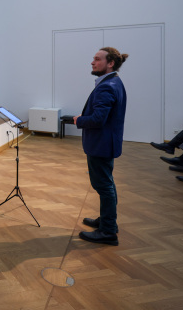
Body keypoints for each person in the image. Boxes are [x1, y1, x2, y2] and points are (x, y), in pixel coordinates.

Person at [73, 47, 128, 246]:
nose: (92, 62)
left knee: (103, 186)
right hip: (106, 143)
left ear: (110, 63)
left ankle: (108, 231)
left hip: (101, 144)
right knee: (107, 183)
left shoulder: (107, 86)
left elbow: (98, 119)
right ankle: (107, 221)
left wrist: (79, 120)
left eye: (97, 59)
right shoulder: (114, 82)